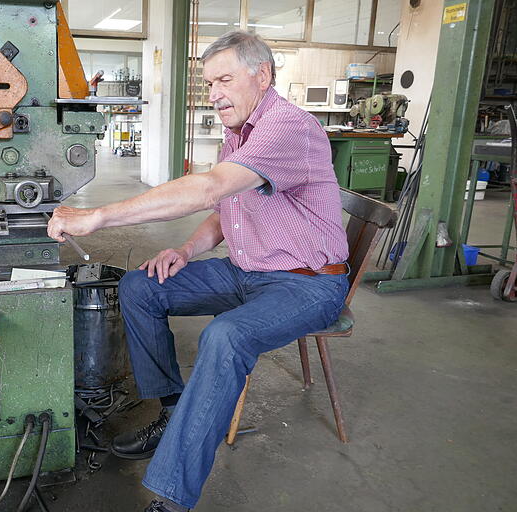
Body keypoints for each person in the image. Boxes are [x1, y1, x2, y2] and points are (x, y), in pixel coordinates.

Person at [48, 31, 350, 512]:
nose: (213, 95)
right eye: (209, 83)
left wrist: (99, 215)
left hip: (308, 284)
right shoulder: (239, 133)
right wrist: (186, 251)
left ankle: (171, 498)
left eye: (224, 80)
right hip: (247, 271)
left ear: (263, 75)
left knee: (226, 337)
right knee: (142, 286)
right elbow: (225, 208)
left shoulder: (288, 128)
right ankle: (172, 409)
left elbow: (210, 190)